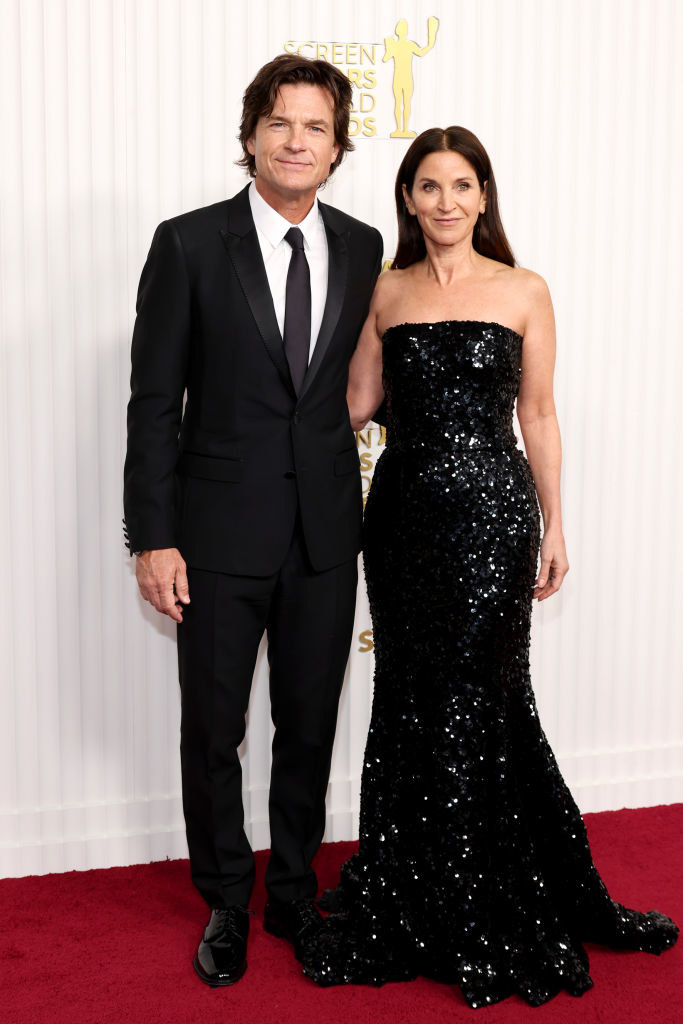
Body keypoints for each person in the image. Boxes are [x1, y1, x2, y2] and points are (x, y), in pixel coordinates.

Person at [301, 126, 678, 1008]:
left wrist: (554, 525)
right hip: (398, 524)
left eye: (460, 185)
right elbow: (354, 405)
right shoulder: (383, 292)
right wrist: (252, 420)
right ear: (407, 198)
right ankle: (417, 891)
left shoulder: (523, 290)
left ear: (483, 196)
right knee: (409, 692)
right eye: (427, 186)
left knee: (483, 692)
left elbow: (538, 416)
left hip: (494, 521)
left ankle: (484, 889)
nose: (444, 202)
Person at [123, 54, 383, 986]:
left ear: (337, 146)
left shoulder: (360, 246)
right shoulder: (188, 243)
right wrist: (152, 537)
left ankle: (295, 897)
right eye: (280, 123)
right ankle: (228, 899)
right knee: (214, 728)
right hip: (214, 535)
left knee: (309, 724)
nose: (296, 141)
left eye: (316, 127)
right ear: (249, 137)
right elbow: (154, 402)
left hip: (323, 532)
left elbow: (349, 387)